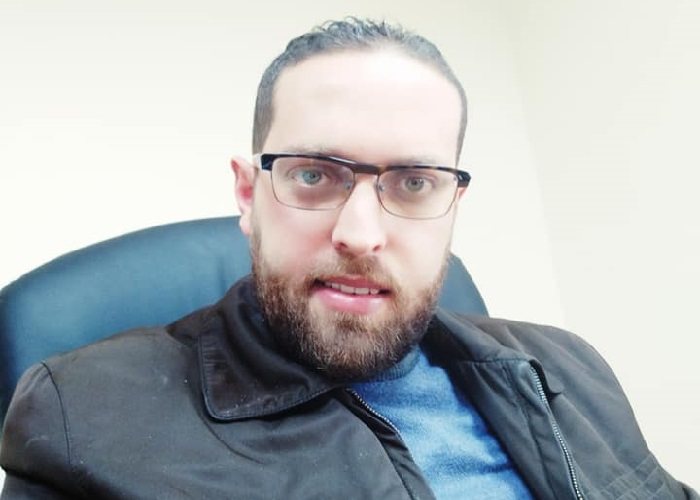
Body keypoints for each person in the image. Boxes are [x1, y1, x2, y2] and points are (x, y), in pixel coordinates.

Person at [0, 17, 696, 500]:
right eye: (313, 174)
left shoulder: (568, 366)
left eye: (414, 182)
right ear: (248, 194)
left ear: (452, 206)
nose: (361, 234)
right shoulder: (82, 415)